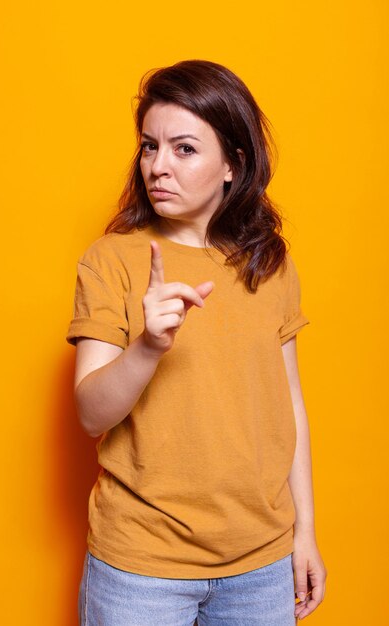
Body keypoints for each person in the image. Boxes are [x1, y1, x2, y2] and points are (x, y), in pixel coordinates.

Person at [66, 59, 327, 625]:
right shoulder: (111, 260)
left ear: (233, 163)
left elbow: (291, 408)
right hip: (142, 566)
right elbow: (90, 414)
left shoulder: (270, 264)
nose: (158, 166)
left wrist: (304, 532)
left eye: (184, 148)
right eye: (149, 146)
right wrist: (147, 347)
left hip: (261, 564)